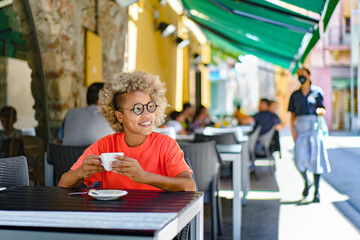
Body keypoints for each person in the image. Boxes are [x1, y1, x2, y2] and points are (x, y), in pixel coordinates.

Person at [58, 71, 196, 192]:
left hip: (159, 217)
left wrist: (144, 177)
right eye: (137, 109)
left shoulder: (165, 145)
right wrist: (81, 172)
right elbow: (63, 183)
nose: (147, 114)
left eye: (150, 106)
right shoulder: (105, 146)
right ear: (119, 116)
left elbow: (189, 186)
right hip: (115, 217)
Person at [288, 67, 331, 203]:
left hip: (314, 127)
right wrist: (293, 131)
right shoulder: (295, 95)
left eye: (303, 74)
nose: (301, 76)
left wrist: (320, 111)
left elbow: (323, 109)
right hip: (300, 127)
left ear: (308, 75)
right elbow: (292, 114)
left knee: (316, 158)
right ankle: (307, 181)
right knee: (299, 158)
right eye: (299, 74)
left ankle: (316, 192)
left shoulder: (317, 92)